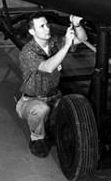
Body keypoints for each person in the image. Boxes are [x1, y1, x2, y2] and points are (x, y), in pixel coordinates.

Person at [17, 13, 87, 158]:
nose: (47, 28)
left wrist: (77, 25)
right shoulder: (27, 52)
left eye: (47, 24)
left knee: (76, 107)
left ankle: (50, 126)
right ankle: (37, 140)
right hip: (31, 101)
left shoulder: (54, 43)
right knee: (41, 110)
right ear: (32, 32)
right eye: (41, 26)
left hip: (54, 97)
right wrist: (67, 44)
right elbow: (48, 67)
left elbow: (82, 39)